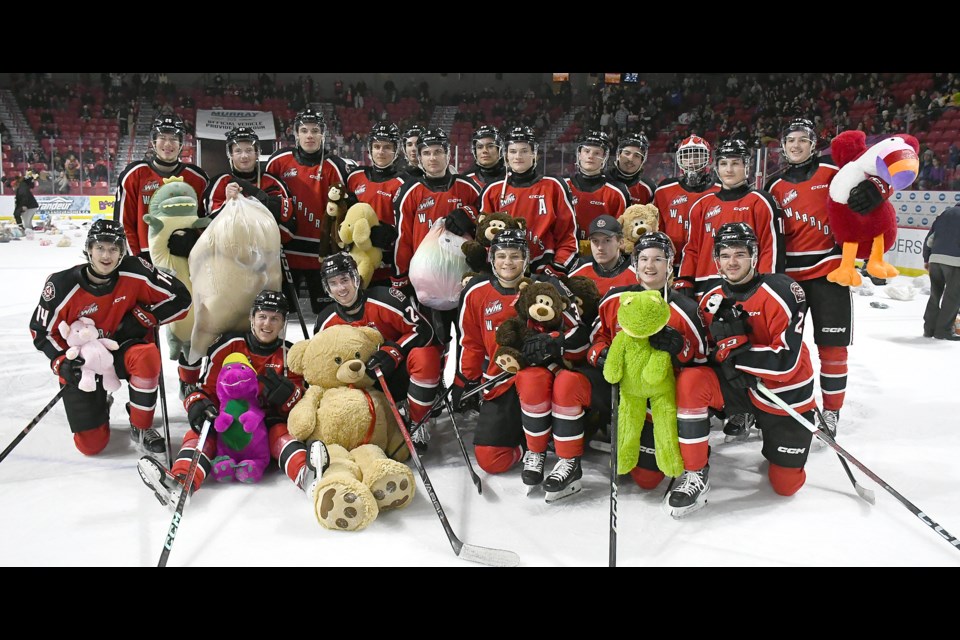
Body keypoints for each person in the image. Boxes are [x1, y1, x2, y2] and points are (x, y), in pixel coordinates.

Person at [671, 222, 817, 513]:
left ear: (754, 255)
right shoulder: (711, 299)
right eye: (725, 255)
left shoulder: (785, 291)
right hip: (740, 388)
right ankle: (696, 470)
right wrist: (679, 346)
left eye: (740, 253)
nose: (732, 262)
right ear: (717, 260)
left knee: (786, 485)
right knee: (691, 380)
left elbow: (786, 362)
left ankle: (771, 430)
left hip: (782, 394)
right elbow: (707, 353)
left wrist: (739, 353)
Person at [137, 290, 328, 507]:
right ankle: (181, 482)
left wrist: (289, 398)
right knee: (203, 430)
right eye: (262, 316)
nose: (267, 323)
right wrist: (197, 404)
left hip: (265, 427)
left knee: (282, 431)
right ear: (251, 318)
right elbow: (202, 389)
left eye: (275, 318)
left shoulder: (290, 354)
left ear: (284, 322)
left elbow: (301, 408)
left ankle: (307, 477)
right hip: (228, 422)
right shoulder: (228, 345)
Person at [562, 232, 707, 504]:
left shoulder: (685, 307)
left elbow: (700, 360)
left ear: (670, 265)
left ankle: (696, 455)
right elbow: (596, 340)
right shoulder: (618, 298)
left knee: (646, 478)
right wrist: (602, 355)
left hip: (659, 398)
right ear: (635, 264)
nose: (650, 266)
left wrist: (679, 348)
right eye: (643, 259)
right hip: (621, 388)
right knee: (569, 382)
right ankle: (571, 457)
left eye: (658, 259)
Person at [29, 219, 192, 456]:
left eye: (113, 249)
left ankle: (141, 426)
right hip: (84, 362)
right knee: (91, 446)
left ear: (122, 252)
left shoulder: (136, 270)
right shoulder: (61, 285)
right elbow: (40, 331)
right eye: (100, 248)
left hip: (122, 349)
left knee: (146, 356)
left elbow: (180, 298)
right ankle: (100, 401)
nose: (106, 256)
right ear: (88, 249)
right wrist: (61, 363)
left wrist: (144, 317)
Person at [764, 118, 850, 439]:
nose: (796, 146)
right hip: (789, 282)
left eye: (803, 140)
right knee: (784, 347)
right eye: (790, 141)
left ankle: (832, 409)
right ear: (783, 147)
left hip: (830, 275)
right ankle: (783, 402)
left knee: (832, 347)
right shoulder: (774, 186)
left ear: (814, 145)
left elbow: (868, 193)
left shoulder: (832, 174)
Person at [313, 253, 441, 447]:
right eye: (333, 283)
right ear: (327, 287)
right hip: (361, 386)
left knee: (425, 356)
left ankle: (417, 420)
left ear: (355, 277)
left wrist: (393, 352)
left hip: (397, 373)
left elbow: (424, 331)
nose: (341, 288)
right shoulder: (325, 320)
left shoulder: (385, 298)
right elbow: (320, 366)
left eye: (345, 280)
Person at [452, 229, 541, 475]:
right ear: (492, 258)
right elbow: (471, 342)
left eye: (515, 256)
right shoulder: (476, 292)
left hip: (536, 384)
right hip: (498, 383)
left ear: (525, 259)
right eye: (501, 256)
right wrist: (465, 378)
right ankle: (525, 445)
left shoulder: (539, 291)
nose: (508, 263)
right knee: (490, 459)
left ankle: (542, 444)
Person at [393, 127, 480, 346]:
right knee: (433, 339)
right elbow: (403, 237)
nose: (433, 157)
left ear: (448, 154)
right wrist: (401, 278)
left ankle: (465, 380)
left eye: (438, 152)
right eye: (426, 152)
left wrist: (469, 214)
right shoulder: (410, 191)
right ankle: (436, 380)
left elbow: (486, 216)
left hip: (464, 277)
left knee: (468, 337)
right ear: (419, 158)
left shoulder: (467, 186)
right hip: (427, 281)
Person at [265, 107, 357, 313]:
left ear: (323, 134)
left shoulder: (336, 166)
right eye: (304, 130)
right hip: (285, 252)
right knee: (280, 313)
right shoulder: (278, 161)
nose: (310, 135)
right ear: (296, 133)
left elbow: (345, 210)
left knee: (327, 314)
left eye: (315, 130)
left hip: (322, 254)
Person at [676, 138, 784, 299]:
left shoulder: (760, 202)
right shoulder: (701, 205)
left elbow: (771, 248)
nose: (729, 170)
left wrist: (767, 285)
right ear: (716, 168)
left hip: (746, 289)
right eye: (724, 164)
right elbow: (692, 249)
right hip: (704, 287)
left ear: (746, 166)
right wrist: (685, 280)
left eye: (735, 163)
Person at [479, 125, 579, 275]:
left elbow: (567, 236)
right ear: (506, 155)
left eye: (524, 151)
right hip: (504, 270)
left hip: (543, 269)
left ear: (534, 154)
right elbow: (484, 237)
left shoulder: (554, 186)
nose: (518, 156)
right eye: (513, 151)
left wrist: (557, 267)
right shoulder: (492, 190)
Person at [113, 113, 209, 263]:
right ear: (154, 141)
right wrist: (135, 260)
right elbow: (124, 223)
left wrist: (193, 239)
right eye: (162, 138)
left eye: (173, 139)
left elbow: (205, 221)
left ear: (181, 143)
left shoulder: (197, 178)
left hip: (186, 257)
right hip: (145, 257)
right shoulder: (134, 174)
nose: (168, 144)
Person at [345, 121, 406, 287]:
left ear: (396, 149)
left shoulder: (405, 182)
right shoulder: (354, 177)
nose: (381, 152)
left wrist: (392, 235)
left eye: (387, 147)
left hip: (387, 265)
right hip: (356, 261)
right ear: (370, 148)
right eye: (377, 146)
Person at [653, 135, 720, 274]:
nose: (691, 161)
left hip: (708, 265)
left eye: (697, 156)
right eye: (686, 156)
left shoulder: (720, 190)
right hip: (672, 264)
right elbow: (657, 229)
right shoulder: (664, 190)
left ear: (708, 158)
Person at [564, 130, 631, 242]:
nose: (591, 156)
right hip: (565, 254)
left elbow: (621, 234)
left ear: (604, 157)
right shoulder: (562, 186)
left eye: (597, 153)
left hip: (601, 254)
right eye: (587, 151)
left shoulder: (618, 192)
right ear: (579, 154)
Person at [567, 215, 637, 296]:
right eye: (595, 241)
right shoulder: (580, 268)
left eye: (607, 240)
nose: (600, 247)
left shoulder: (637, 271)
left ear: (620, 243)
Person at [922, 205, 960, 341]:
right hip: (956, 261)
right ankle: (943, 331)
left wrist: (927, 258)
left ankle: (929, 328)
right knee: (952, 297)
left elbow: (929, 238)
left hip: (935, 259)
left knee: (935, 294)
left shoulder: (944, 213)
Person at [606, 131, 657, 205]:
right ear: (618, 155)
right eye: (627, 153)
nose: (630, 159)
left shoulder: (649, 188)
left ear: (642, 161)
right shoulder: (602, 181)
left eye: (637, 155)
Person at [463, 125, 506, 191]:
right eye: (480, 147)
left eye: (490, 146)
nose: (484, 151)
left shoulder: (512, 178)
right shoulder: (465, 180)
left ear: (500, 150)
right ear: (475, 151)